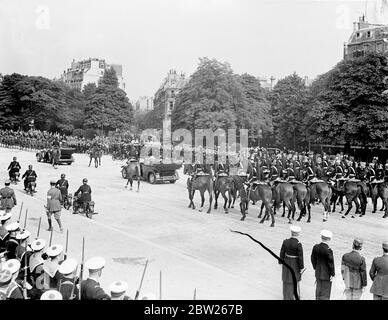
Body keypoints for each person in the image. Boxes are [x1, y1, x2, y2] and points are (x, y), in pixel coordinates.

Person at [279, 225, 304, 300]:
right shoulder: (298, 244)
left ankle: (286, 295)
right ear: (298, 234)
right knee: (293, 279)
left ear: (291, 232)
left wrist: (280, 261)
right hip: (294, 263)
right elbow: (300, 257)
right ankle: (290, 296)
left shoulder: (285, 241)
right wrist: (301, 267)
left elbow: (282, 252)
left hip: (286, 261)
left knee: (286, 278)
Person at [311, 230, 335, 300]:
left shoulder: (316, 247)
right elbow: (330, 263)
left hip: (318, 271)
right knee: (325, 292)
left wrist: (315, 267)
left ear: (321, 237)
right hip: (326, 273)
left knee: (318, 289)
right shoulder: (328, 250)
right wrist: (333, 274)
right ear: (329, 239)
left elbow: (312, 258)